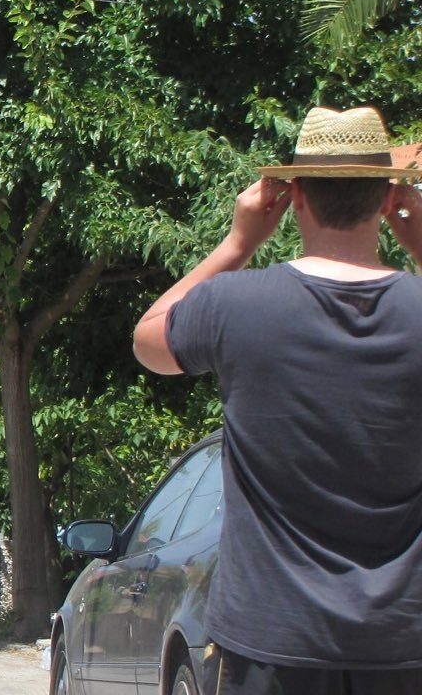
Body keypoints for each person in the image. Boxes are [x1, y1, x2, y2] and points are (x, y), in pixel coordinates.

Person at [133, 105, 422, 695]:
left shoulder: (238, 307)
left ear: (295, 196)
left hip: (270, 639)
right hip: (403, 643)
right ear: (388, 200)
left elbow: (148, 341)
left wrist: (237, 243)